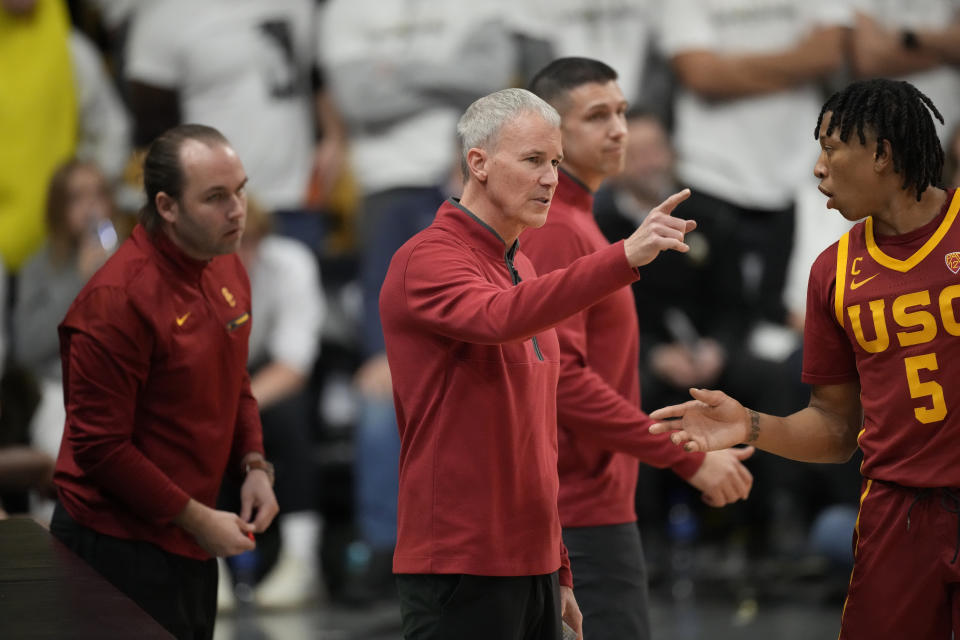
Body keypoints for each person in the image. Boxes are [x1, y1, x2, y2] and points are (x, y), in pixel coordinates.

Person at [381, 87, 698, 640]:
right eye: (532, 161)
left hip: (533, 562)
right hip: (459, 562)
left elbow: (536, 437)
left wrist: (559, 567)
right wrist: (623, 256)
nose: (551, 177)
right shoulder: (426, 258)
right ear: (477, 162)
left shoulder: (522, 264)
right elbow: (499, 317)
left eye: (554, 162)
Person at [650, 78, 959, 638]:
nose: (818, 167)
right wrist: (751, 424)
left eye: (831, 147)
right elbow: (837, 428)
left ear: (882, 154)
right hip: (897, 514)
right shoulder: (832, 272)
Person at [520, 58, 754, 639]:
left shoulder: (579, 220)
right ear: (551, 134)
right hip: (579, 505)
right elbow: (563, 379)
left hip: (591, 499)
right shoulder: (557, 229)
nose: (619, 129)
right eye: (597, 116)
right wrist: (688, 457)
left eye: (621, 111)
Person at [49, 124, 279, 640]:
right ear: (167, 206)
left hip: (186, 536)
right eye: (215, 198)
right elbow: (100, 447)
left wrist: (255, 463)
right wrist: (197, 518)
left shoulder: (225, 265)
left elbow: (233, 374)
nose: (237, 210)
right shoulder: (117, 302)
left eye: (240, 190)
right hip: (113, 546)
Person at [13, 159, 119, 522]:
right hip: (60, 388)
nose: (91, 206)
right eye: (77, 197)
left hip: (123, 383)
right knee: (62, 446)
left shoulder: (130, 257)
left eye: (98, 194)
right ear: (59, 208)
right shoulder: (38, 267)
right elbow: (27, 347)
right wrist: (79, 281)